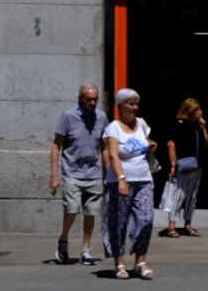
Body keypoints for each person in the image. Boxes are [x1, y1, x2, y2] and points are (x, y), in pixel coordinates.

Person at [101, 87, 156, 280]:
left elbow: (145, 141)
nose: (134, 107)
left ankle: (140, 261)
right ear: (120, 107)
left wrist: (151, 144)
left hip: (144, 179)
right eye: (130, 104)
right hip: (121, 181)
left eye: (136, 104)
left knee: (146, 219)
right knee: (118, 223)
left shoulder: (141, 124)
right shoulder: (113, 128)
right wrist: (121, 179)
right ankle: (120, 263)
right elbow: (114, 155)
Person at [51, 82, 105, 265]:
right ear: (80, 99)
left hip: (94, 173)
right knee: (72, 208)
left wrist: (108, 173)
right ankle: (63, 239)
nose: (92, 103)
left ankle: (86, 250)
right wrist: (54, 175)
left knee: (91, 213)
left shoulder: (101, 117)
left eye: (95, 99)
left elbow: (104, 147)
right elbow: (56, 145)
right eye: (89, 99)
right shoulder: (68, 117)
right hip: (71, 171)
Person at [162, 97, 208, 235]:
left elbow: (206, 142)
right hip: (182, 164)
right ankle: (172, 226)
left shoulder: (197, 125)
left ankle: (188, 224)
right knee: (178, 194)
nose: (200, 112)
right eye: (197, 110)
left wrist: (204, 127)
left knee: (192, 196)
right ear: (189, 111)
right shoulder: (178, 124)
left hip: (197, 165)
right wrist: (173, 164)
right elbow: (171, 145)